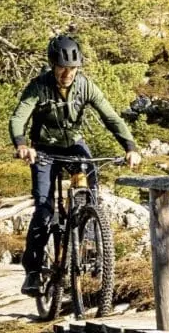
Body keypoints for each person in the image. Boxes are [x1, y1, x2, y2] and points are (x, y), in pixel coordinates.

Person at [10, 33, 141, 294]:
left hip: (74, 145)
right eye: (62, 68)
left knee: (91, 191)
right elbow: (18, 117)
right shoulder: (39, 86)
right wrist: (22, 145)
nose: (67, 74)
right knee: (45, 210)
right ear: (52, 66)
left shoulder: (86, 86)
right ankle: (33, 271)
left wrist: (130, 147)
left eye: (72, 68)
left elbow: (111, 118)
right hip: (44, 150)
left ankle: (88, 235)